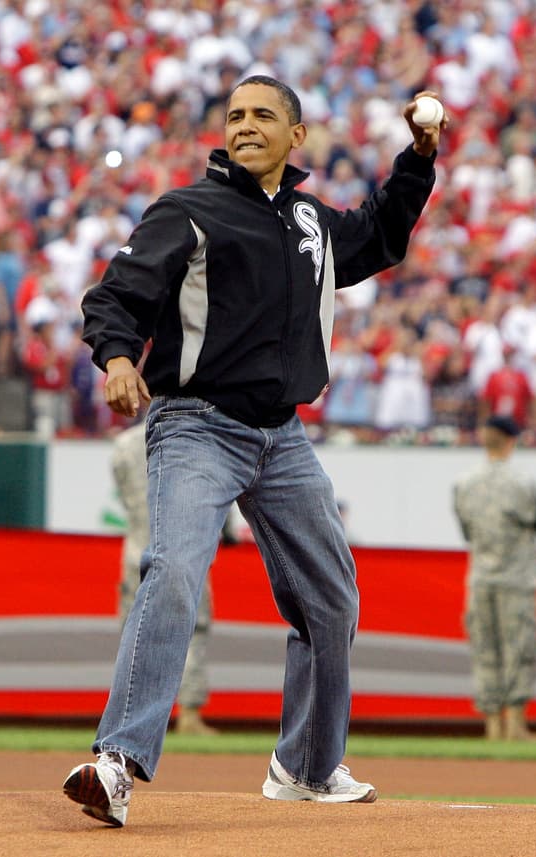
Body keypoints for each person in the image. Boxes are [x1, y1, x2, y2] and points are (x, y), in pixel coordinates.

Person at [65, 76, 440, 827]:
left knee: (331, 597)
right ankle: (117, 760)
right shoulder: (188, 210)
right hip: (196, 424)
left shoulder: (310, 219)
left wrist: (419, 158)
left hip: (283, 436)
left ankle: (306, 767)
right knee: (175, 569)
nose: (244, 125)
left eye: (263, 115)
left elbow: (379, 234)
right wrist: (117, 357)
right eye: (235, 115)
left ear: (295, 136)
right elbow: (115, 296)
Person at [452, 415, 536, 742]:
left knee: (485, 650)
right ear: (511, 442)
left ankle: (492, 725)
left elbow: (466, 532)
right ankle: (516, 726)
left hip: (480, 578)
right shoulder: (525, 484)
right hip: (518, 580)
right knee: (519, 650)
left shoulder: (464, 484)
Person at [110, 424, 217, 737]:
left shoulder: (124, 444)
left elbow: (124, 496)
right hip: (185, 549)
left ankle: (130, 721)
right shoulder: (198, 436)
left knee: (134, 635)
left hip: (137, 548)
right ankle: (189, 714)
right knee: (193, 630)